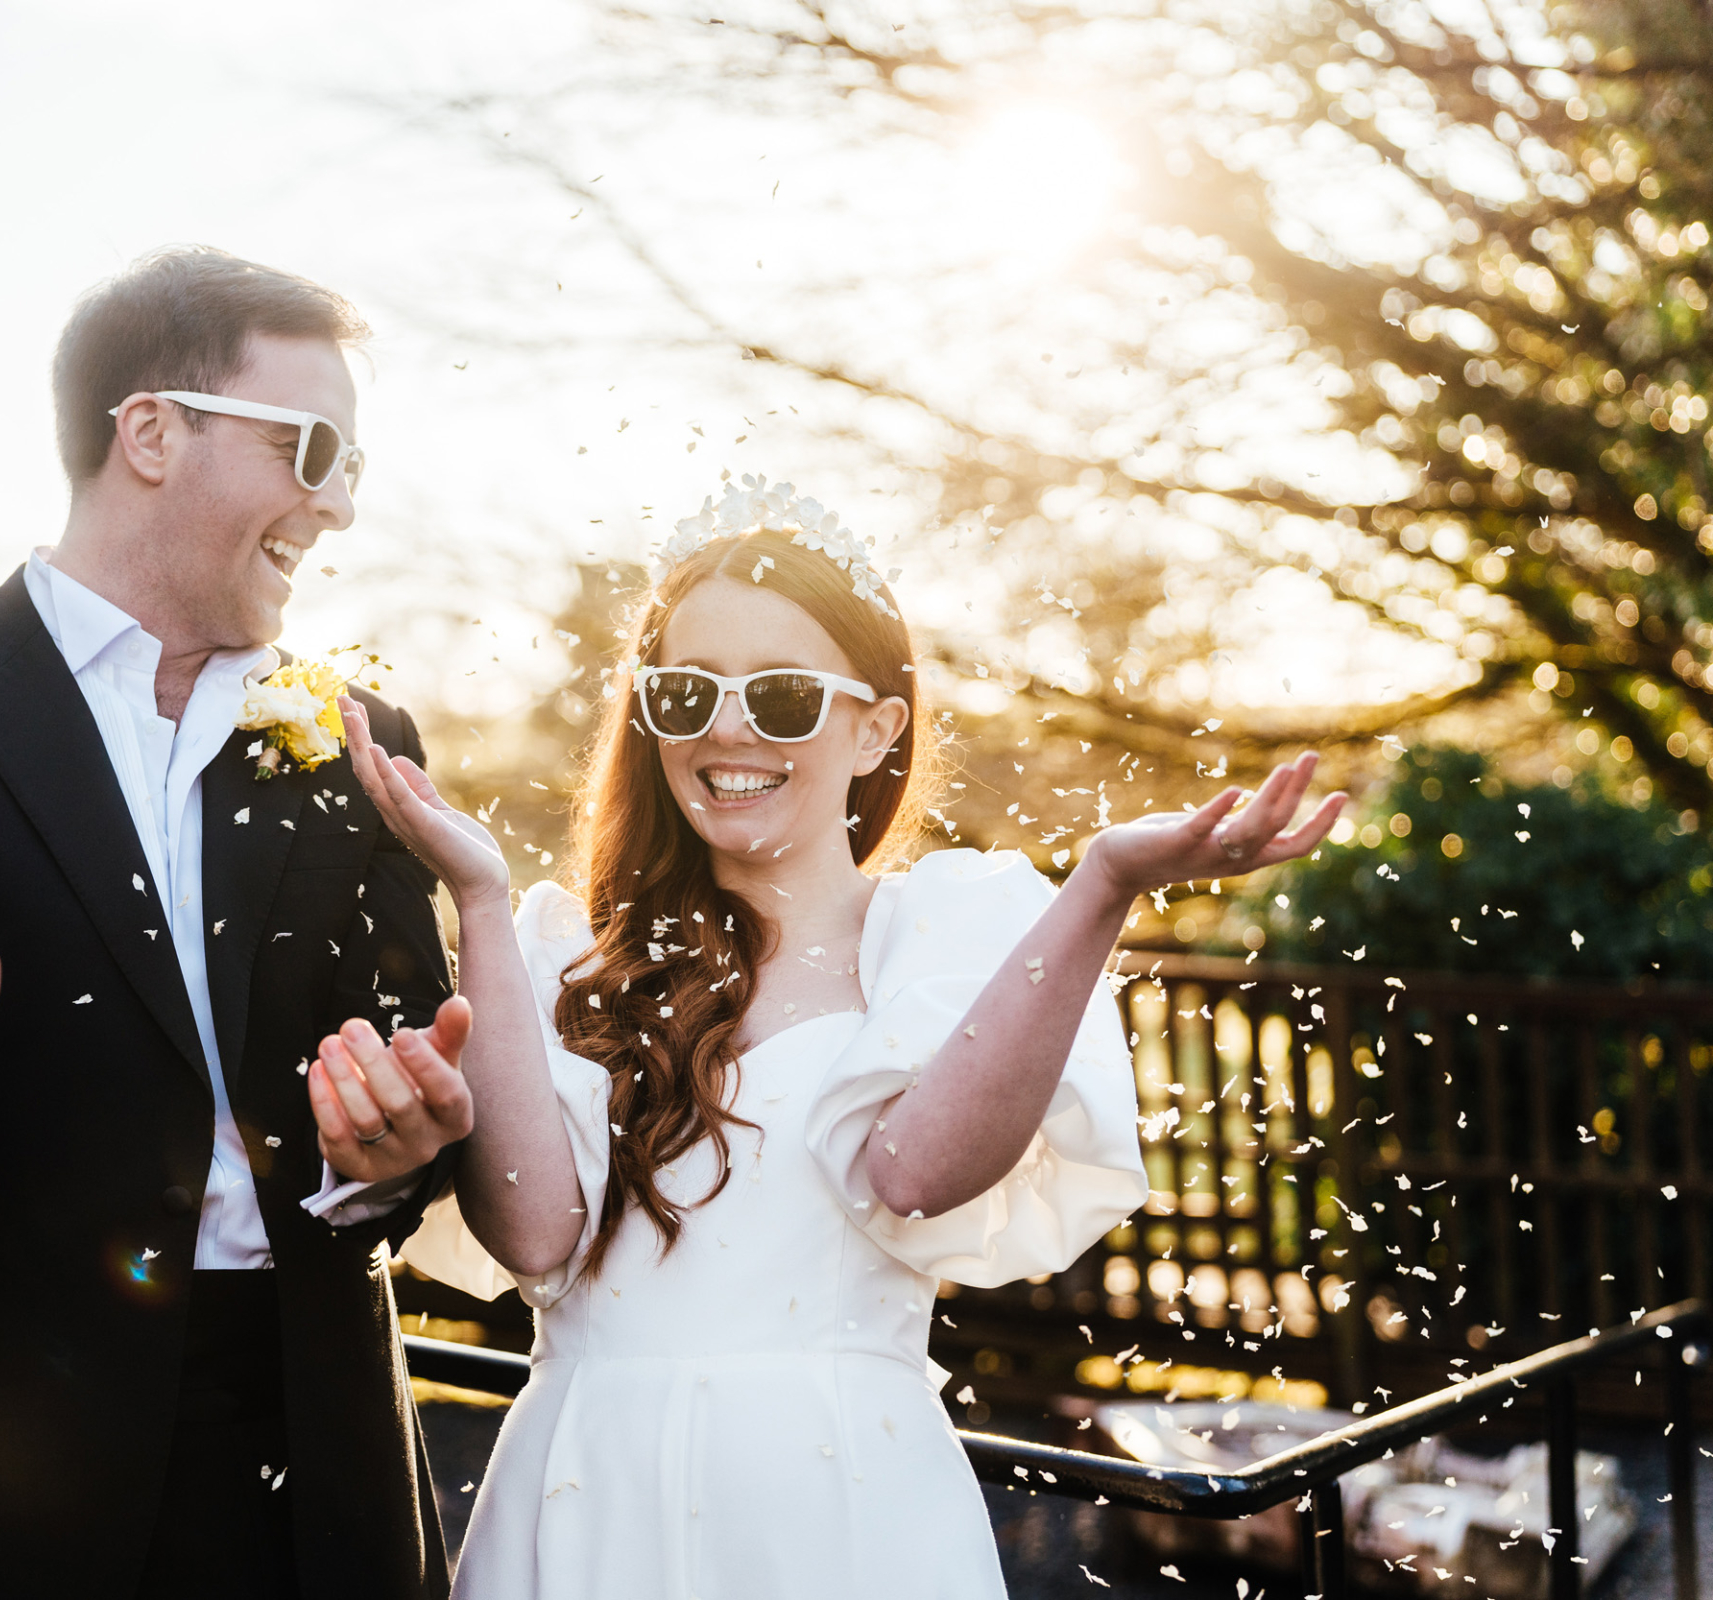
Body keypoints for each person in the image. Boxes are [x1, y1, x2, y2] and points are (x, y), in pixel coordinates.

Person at [326, 475, 1347, 1599]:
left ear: (876, 728)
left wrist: (1103, 884)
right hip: (582, 1496)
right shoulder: (565, 953)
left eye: (781, 697)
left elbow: (915, 1173)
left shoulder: (939, 939)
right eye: (685, 692)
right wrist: (476, 892)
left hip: (839, 1507)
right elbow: (530, 1236)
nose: (727, 730)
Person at [0, 246, 474, 1599]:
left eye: (350, 465)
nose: (337, 507)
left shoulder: (360, 742)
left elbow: (407, 1075)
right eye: (310, 448)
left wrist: (393, 1150)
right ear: (150, 433)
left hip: (305, 1477)